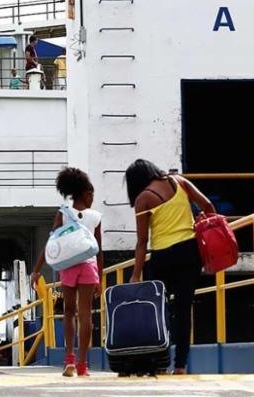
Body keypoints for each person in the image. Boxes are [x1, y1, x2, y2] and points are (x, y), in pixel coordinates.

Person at [125, 159, 215, 375]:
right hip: (190, 253)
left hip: (163, 257)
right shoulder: (180, 182)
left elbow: (142, 242)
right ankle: (181, 366)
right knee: (184, 310)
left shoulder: (143, 198)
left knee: (159, 311)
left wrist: (135, 274)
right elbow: (208, 206)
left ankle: (161, 364)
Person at [30, 167, 103, 377]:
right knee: (86, 314)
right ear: (87, 193)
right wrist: (100, 277)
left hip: (68, 266)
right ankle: (82, 365)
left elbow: (51, 244)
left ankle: (69, 359)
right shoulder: (96, 216)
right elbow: (99, 250)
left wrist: (36, 270)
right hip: (89, 266)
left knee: (68, 312)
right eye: (92, 195)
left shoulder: (64, 213)